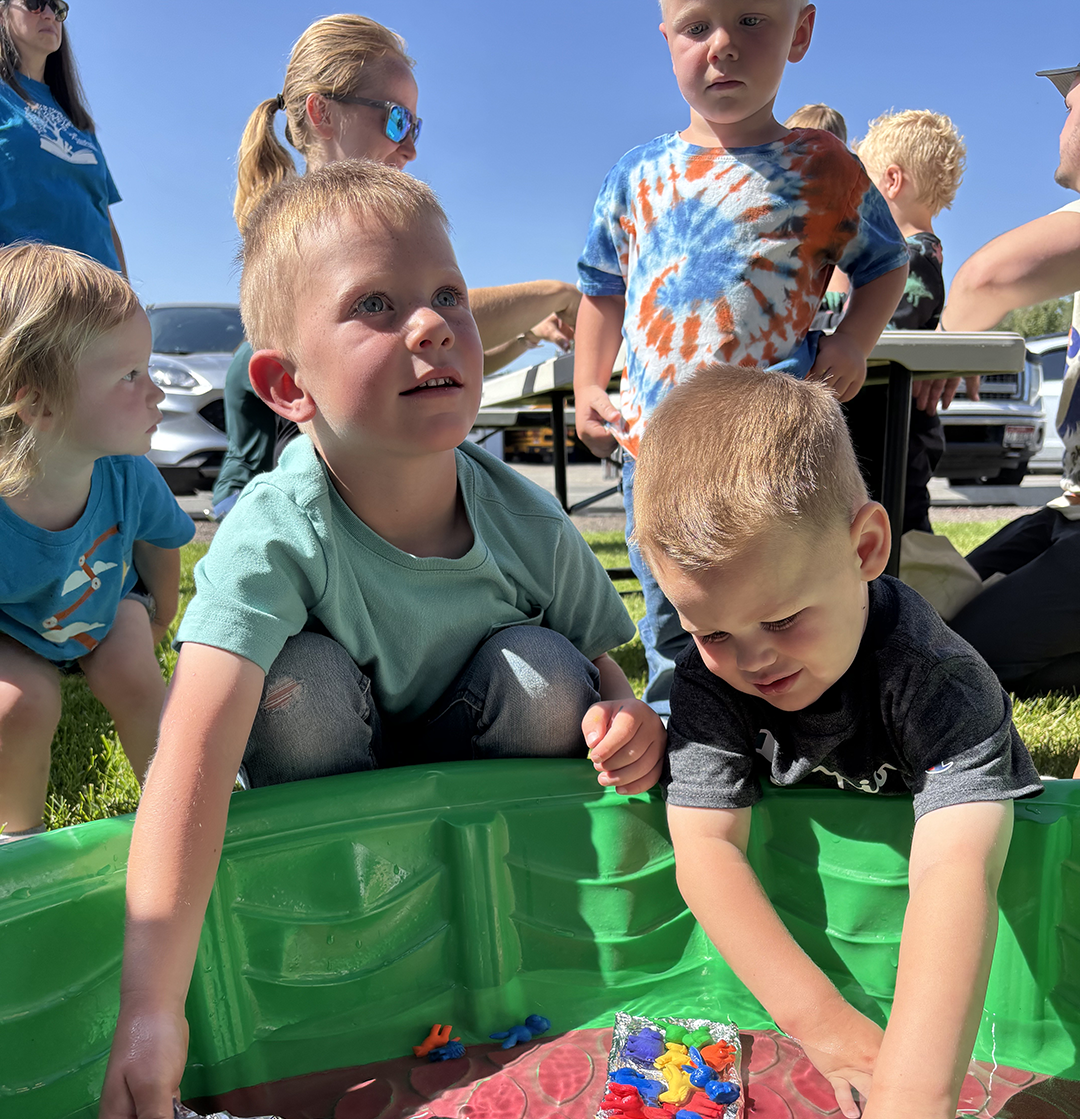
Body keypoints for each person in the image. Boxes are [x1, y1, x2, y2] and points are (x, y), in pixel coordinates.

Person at [89, 161, 666, 1119]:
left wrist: (625, 718)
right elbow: (190, 753)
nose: (434, 325)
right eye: (375, 306)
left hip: (480, 795)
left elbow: (603, 666)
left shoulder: (521, 516)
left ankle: (522, 936)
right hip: (333, 810)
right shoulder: (276, 528)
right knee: (293, 689)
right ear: (286, 388)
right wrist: (150, 1012)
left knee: (544, 676)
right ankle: (346, 939)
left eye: (447, 296)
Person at [633, 363, 1041, 1119]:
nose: (753, 661)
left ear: (863, 549)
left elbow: (957, 862)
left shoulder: (934, 676)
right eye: (711, 632)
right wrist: (822, 1027)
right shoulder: (713, 678)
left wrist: (911, 1101)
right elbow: (705, 850)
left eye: (782, 621)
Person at [572, 0, 909, 713]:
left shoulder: (824, 166)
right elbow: (602, 289)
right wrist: (588, 386)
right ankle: (683, 731)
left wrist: (852, 341)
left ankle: (815, 727)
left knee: (789, 596)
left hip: (775, 445)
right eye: (698, 27)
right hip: (658, 443)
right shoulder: (635, 175)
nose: (722, 46)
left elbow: (885, 263)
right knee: (675, 603)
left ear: (802, 32)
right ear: (667, 40)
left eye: (752, 20)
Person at [212, 13, 581, 517]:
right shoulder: (295, 241)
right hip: (267, 503)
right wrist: (556, 292)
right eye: (395, 119)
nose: (409, 147)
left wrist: (524, 337)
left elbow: (426, 368)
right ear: (322, 113)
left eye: (416, 125)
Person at [0, 243, 194, 842]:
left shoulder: (126, 470)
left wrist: (160, 615)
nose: (156, 393)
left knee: (134, 674)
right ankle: (19, 842)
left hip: (107, 608)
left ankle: (179, 813)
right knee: (18, 709)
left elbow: (162, 546)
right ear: (39, 402)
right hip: (18, 628)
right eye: (130, 375)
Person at [938, 59, 1080, 714]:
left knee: (955, 655)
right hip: (1068, 510)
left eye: (1071, 108)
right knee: (938, 611)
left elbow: (983, 281)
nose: (1062, 125)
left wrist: (941, 353)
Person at [851, 109, 967, 534]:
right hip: (890, 432)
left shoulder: (912, 258)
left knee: (900, 536)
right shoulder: (917, 254)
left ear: (891, 182)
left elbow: (883, 336)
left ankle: (915, 601)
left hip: (896, 436)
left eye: (861, 186)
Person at [0, 0, 125, 272]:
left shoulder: (79, 120)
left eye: (57, 8)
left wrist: (129, 300)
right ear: (2, 13)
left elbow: (105, 219)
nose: (49, 14)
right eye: (34, 3)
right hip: (30, 298)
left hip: (104, 298)